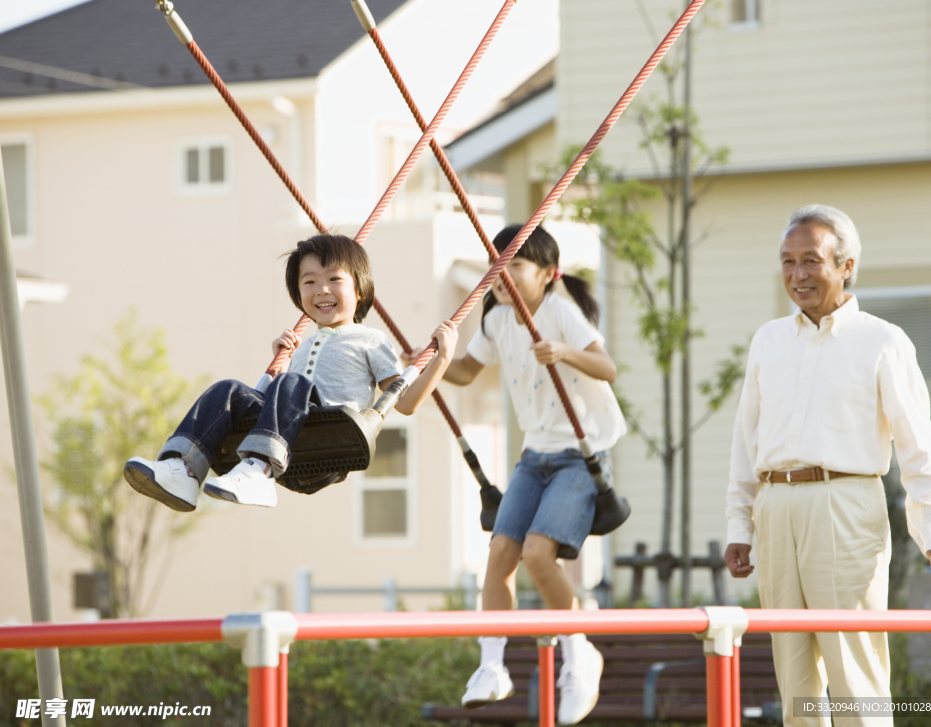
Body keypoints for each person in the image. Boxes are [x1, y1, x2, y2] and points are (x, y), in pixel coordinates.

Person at [724, 205, 931, 727]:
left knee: (853, 667)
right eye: (788, 262)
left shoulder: (883, 340)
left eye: (811, 261)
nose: (797, 275)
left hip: (846, 503)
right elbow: (745, 441)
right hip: (775, 508)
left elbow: (918, 442)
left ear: (845, 265)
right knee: (793, 673)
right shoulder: (768, 340)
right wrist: (739, 523)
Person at [427, 224, 626, 726]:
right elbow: (467, 371)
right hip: (535, 455)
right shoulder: (497, 320)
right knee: (500, 552)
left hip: (580, 455)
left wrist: (563, 351)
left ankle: (580, 653)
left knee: (539, 554)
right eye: (498, 262)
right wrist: (433, 358)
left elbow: (607, 367)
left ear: (547, 274)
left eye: (515, 264)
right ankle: (491, 666)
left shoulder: (559, 311)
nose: (503, 273)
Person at [124, 233, 457, 511]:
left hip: (332, 432)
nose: (322, 290)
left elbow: (404, 402)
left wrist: (440, 360)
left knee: (292, 382)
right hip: (292, 440)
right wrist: (280, 362)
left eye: (334, 280)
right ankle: (183, 469)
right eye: (309, 281)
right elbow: (273, 406)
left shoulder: (370, 339)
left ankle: (259, 469)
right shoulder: (301, 346)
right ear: (299, 294)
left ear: (360, 289)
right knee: (227, 391)